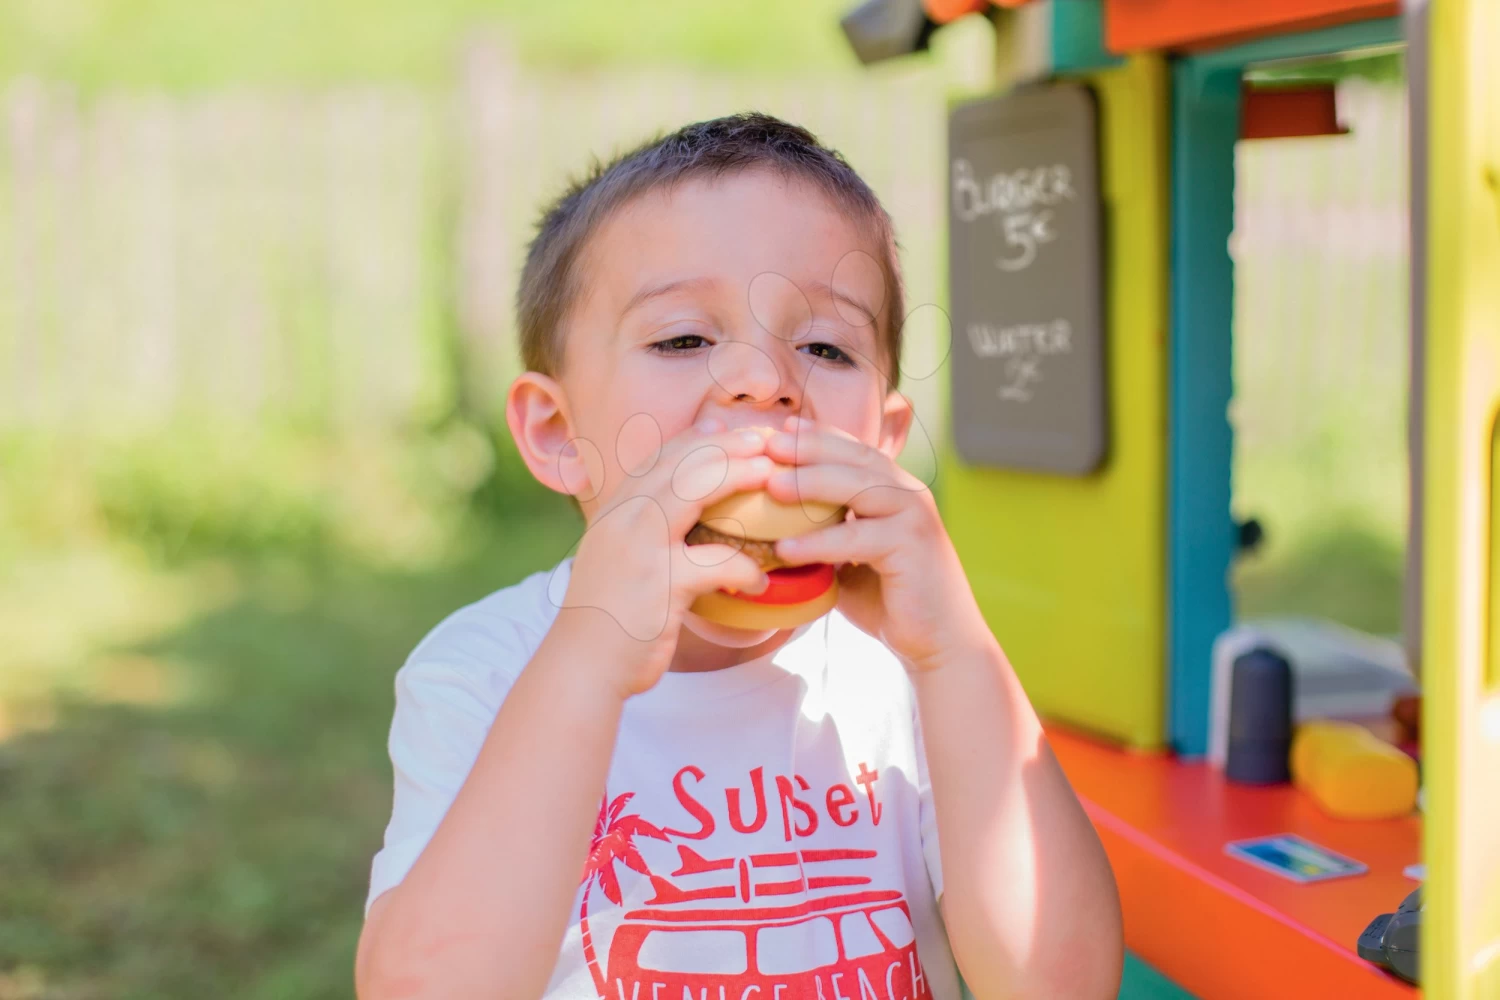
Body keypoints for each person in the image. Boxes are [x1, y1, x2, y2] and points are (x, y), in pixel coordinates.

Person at [354, 112, 1122, 1000]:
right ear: (559, 432)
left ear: (883, 440)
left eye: (826, 347)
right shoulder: (485, 671)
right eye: (684, 338)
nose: (765, 379)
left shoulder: (914, 679)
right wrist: (590, 655)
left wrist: (956, 652)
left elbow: (1064, 984)